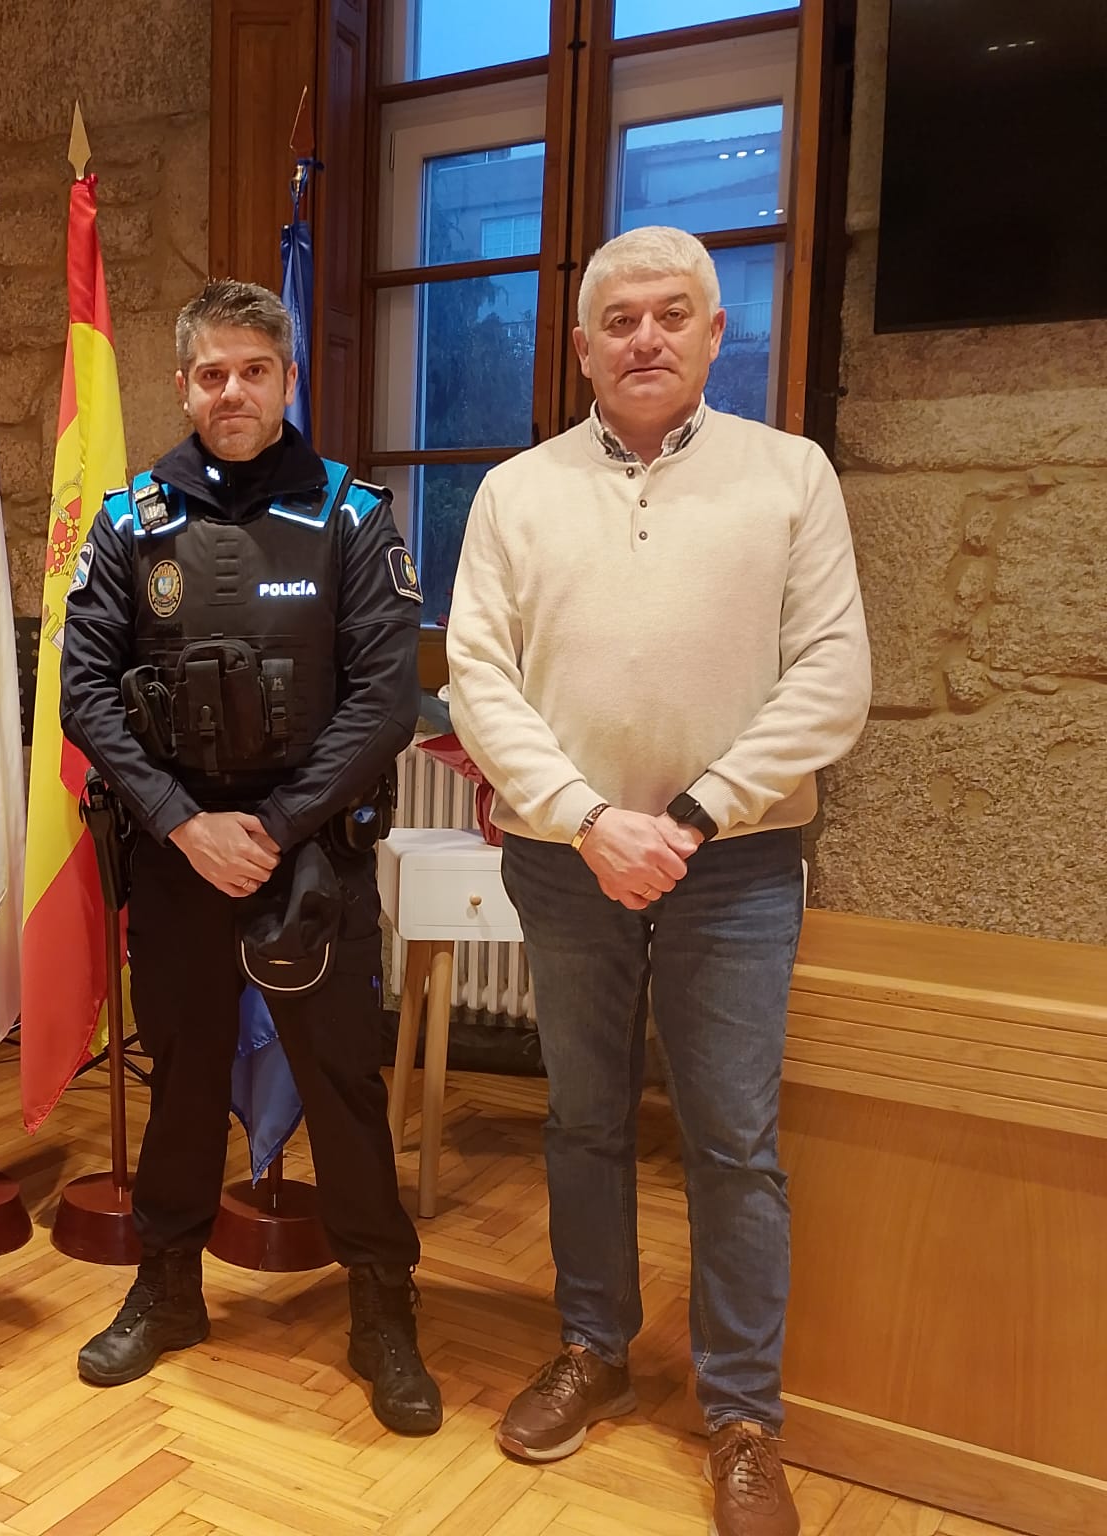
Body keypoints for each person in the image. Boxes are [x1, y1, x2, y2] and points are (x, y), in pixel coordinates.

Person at [447, 226, 870, 1536]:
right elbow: (477, 675)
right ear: (579, 348)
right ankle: (592, 1346)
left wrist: (683, 817)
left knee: (732, 1140)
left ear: (712, 334)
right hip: (567, 862)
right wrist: (587, 819)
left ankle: (743, 1414)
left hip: (734, 866)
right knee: (578, 1116)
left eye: (669, 315)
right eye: (617, 319)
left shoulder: (789, 477)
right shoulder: (516, 493)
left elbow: (834, 680)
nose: (643, 338)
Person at [59, 279, 442, 1437]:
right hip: (179, 853)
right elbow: (83, 692)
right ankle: (169, 1285)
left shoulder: (350, 515)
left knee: (344, 1085)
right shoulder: (132, 521)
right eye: (211, 372)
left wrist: (271, 831)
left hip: (309, 855)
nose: (232, 390)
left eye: (254, 370)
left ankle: (381, 1304)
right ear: (182, 386)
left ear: (289, 381)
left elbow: (387, 702)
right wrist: (184, 821)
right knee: (178, 1075)